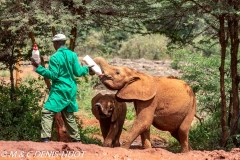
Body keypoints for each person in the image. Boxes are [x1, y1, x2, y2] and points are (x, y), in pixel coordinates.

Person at [31, 33, 93, 142]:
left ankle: (46, 140)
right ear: (64, 43)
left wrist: (38, 68)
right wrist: (87, 69)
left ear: (55, 43)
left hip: (60, 90)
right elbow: (78, 72)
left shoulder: (55, 57)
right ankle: (77, 141)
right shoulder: (73, 55)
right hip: (71, 89)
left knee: (47, 112)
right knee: (68, 115)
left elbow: (53, 75)